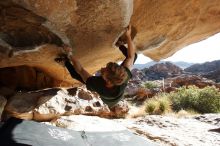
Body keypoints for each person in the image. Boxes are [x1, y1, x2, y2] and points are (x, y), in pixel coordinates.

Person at [56, 24, 137, 107]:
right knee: (134, 57)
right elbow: (131, 56)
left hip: (108, 101)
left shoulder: (97, 85)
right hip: (115, 92)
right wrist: (128, 36)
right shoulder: (122, 75)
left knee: (76, 74)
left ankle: (65, 61)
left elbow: (80, 70)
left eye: (104, 71)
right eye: (105, 67)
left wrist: (69, 53)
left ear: (107, 81)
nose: (102, 68)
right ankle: (119, 44)